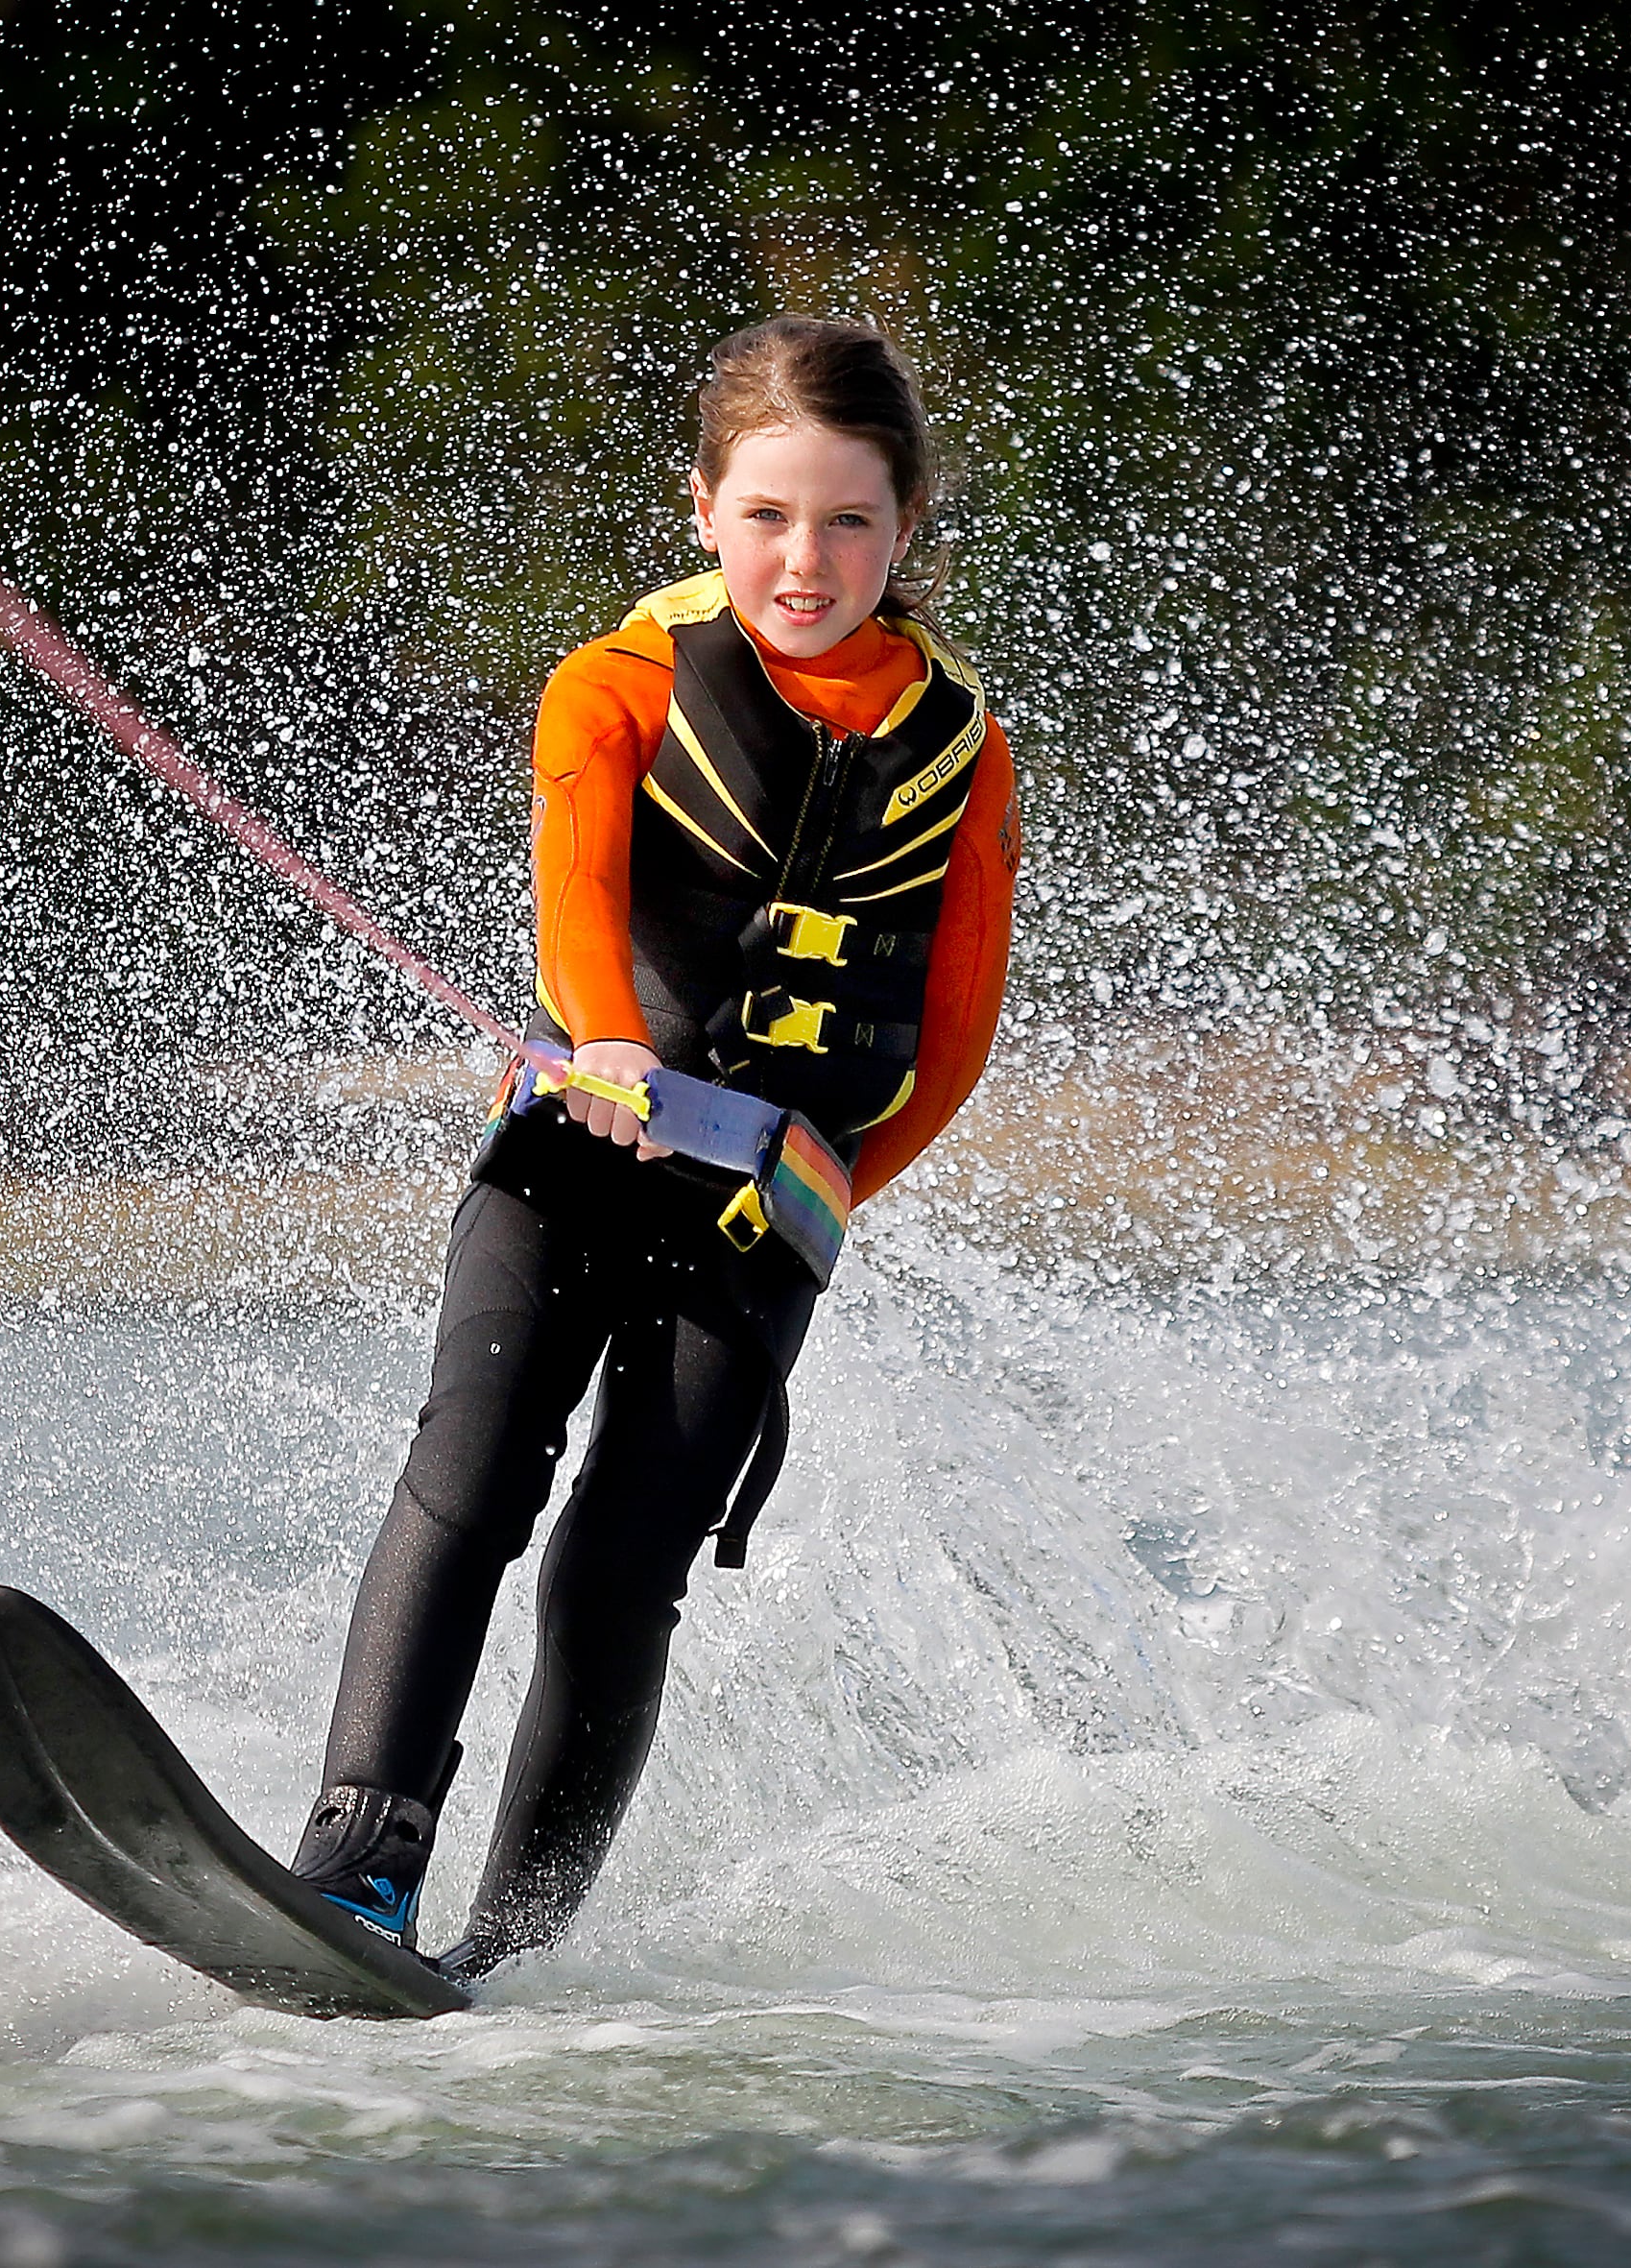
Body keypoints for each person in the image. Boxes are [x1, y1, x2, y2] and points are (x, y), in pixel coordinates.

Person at [286, 316, 1021, 1982]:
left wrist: (836, 1187)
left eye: (847, 521)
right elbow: (576, 884)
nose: (804, 559)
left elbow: (954, 1034)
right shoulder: (616, 680)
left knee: (623, 1571)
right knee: (477, 1469)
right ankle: (358, 1863)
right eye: (766, 515)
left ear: (906, 523)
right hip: (575, 1153)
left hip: (763, 1218)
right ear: (703, 508)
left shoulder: (963, 751)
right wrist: (609, 1039)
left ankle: (511, 1947)